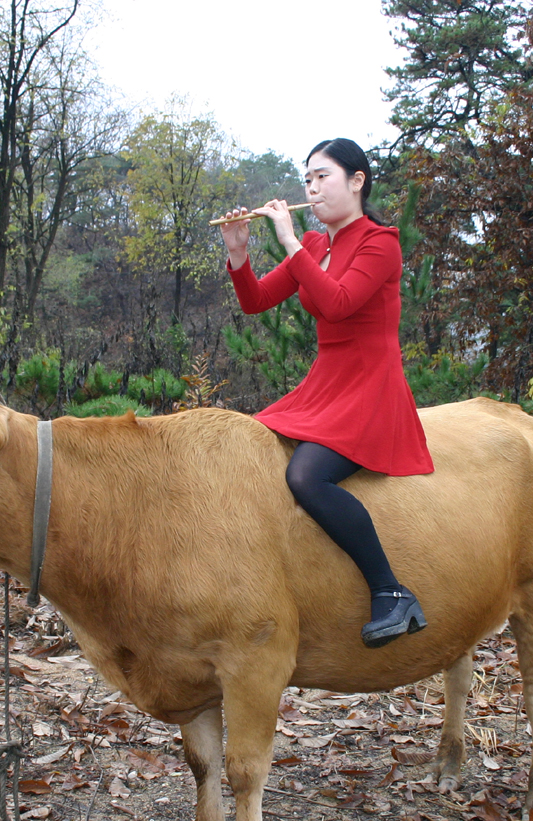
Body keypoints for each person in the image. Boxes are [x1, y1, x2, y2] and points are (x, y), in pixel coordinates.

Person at [219, 137, 433, 648]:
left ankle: (391, 592)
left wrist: (291, 242)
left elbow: (337, 304)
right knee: (253, 443)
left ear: (357, 181)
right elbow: (256, 301)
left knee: (306, 476)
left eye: (323, 176)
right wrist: (239, 252)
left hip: (371, 385)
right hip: (328, 383)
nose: (312, 188)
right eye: (307, 179)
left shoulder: (381, 242)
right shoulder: (318, 247)